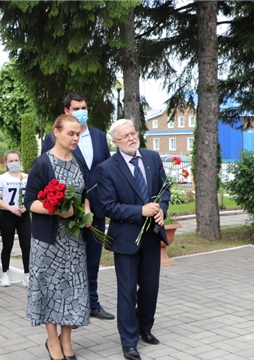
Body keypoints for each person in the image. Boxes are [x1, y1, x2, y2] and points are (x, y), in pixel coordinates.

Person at [97, 119, 171, 360]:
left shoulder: (152, 158)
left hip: (151, 235)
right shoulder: (107, 168)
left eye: (133, 133)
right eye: (125, 135)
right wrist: (140, 211)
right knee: (127, 291)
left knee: (150, 287)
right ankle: (128, 341)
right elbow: (108, 207)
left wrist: (161, 208)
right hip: (126, 239)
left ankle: (144, 328)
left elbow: (165, 189)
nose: (131, 138)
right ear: (115, 141)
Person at [41, 92, 114, 322]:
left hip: (97, 210)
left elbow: (107, 170)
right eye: (76, 108)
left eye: (84, 107)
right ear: (66, 111)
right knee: (70, 260)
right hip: (69, 210)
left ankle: (92, 302)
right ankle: (69, 303)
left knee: (93, 258)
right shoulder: (53, 137)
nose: (81, 111)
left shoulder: (101, 136)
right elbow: (48, 173)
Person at [25, 114, 92, 360]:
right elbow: (29, 202)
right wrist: (56, 209)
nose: (75, 138)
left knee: (72, 292)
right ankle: (52, 341)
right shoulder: (42, 163)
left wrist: (86, 212)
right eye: (70, 133)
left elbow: (85, 194)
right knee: (49, 291)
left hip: (73, 242)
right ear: (56, 132)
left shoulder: (79, 161)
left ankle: (67, 340)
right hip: (48, 242)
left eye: (78, 134)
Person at [0, 150, 30, 287]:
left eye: (16, 160)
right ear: (6, 163)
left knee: (26, 245)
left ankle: (27, 275)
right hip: (8, 215)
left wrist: (26, 206)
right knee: (7, 245)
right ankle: (5, 273)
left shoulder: (27, 177)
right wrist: (10, 208)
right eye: (11, 161)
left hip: (23, 215)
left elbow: (33, 195)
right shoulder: (2, 178)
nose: (14, 163)